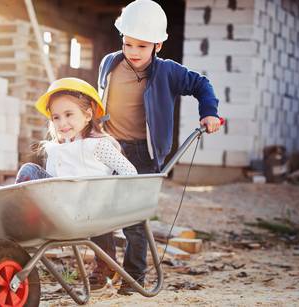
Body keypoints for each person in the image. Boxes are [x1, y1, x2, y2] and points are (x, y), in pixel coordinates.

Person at [89, 0, 222, 295]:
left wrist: (209, 112)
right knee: (96, 210)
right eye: (128, 44)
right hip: (107, 147)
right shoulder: (109, 63)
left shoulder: (168, 72)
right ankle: (105, 264)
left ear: (158, 45)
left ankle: (133, 277)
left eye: (142, 46)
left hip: (143, 154)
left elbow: (202, 84)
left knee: (134, 220)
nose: (133, 52)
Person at [15, 77, 137, 183]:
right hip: (61, 199)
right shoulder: (55, 149)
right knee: (29, 170)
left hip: (90, 199)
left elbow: (129, 172)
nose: (62, 123)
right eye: (56, 117)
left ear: (87, 115)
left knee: (29, 170)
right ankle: (11, 200)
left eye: (69, 114)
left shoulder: (98, 144)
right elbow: (51, 183)